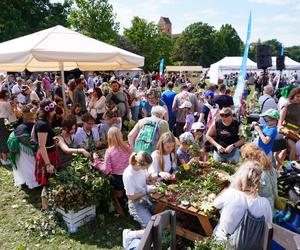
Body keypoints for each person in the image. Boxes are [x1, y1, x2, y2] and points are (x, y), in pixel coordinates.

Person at [213, 161, 272, 242]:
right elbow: (269, 226)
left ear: (240, 176)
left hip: (222, 242)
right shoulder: (265, 203)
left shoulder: (231, 193)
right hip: (249, 245)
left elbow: (215, 204)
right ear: (258, 181)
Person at [34, 100, 61, 210]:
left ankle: (50, 203)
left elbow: (33, 136)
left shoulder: (41, 122)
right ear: (49, 111)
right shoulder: (42, 125)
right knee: (48, 182)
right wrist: (48, 164)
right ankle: (45, 208)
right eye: (54, 109)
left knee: (51, 180)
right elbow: (41, 145)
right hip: (47, 156)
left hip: (50, 153)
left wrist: (52, 140)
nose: (55, 112)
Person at [7, 104, 39, 189]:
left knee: (22, 163)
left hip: (15, 139)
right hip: (22, 143)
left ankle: (25, 180)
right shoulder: (33, 124)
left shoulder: (24, 122)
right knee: (29, 163)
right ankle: (33, 182)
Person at [123, 151, 155, 228]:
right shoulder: (129, 175)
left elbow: (147, 179)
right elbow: (130, 197)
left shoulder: (141, 168)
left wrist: (158, 176)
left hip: (146, 199)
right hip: (136, 204)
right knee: (150, 227)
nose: (147, 169)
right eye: (147, 167)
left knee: (164, 209)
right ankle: (129, 235)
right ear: (139, 164)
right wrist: (146, 192)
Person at [241, 143, 277, 212]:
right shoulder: (271, 168)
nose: (245, 160)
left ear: (252, 156)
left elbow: (254, 190)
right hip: (272, 202)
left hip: (262, 206)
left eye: (246, 157)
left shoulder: (258, 171)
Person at [278, 87, 300, 160]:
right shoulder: (286, 105)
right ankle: (290, 169)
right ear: (293, 95)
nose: (299, 98)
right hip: (287, 133)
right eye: (297, 96)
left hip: (297, 134)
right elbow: (280, 123)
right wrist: (282, 132)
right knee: (293, 148)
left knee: (294, 153)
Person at [0, 90, 16, 165]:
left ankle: (2, 158)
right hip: (2, 122)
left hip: (2, 121)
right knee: (4, 139)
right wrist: (13, 106)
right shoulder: (6, 103)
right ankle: (4, 159)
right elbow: (11, 114)